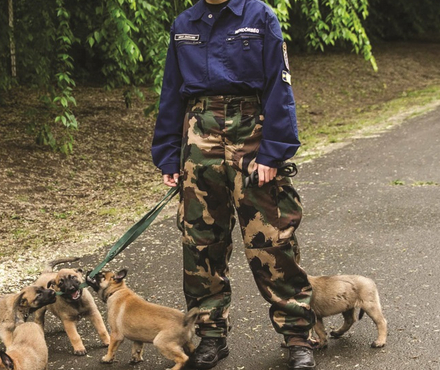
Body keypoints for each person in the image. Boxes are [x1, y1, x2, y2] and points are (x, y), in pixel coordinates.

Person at [151, 0, 317, 369]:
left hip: (251, 134)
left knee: (271, 240)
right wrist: (167, 155)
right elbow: (171, 92)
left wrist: (274, 152)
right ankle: (210, 337)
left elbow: (279, 84)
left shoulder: (259, 16)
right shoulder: (184, 23)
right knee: (200, 241)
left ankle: (297, 337)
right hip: (199, 136)